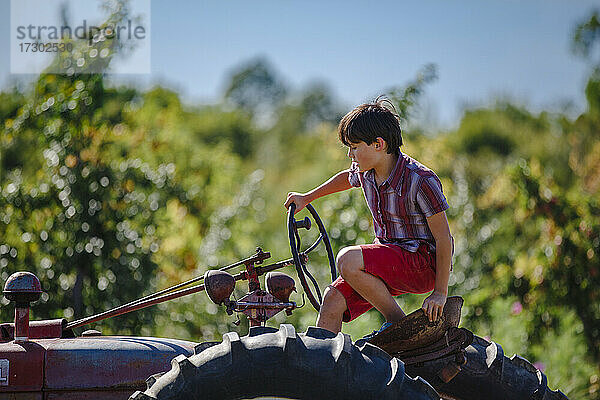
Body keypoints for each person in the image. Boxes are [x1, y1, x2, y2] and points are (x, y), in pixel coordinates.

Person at [284, 97, 453, 336]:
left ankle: (401, 327)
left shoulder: (420, 180)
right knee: (332, 299)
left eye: (354, 147)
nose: (350, 154)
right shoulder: (366, 172)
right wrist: (307, 197)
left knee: (347, 260)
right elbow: (346, 177)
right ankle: (322, 367)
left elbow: (444, 238)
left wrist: (439, 292)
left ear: (378, 144)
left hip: (422, 264)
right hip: (389, 259)